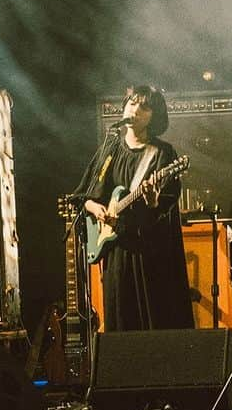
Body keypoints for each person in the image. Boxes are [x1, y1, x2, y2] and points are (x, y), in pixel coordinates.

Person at [72, 85, 193, 331]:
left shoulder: (162, 153)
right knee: (120, 319)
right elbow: (84, 195)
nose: (135, 109)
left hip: (149, 253)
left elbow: (165, 206)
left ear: (154, 117)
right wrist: (95, 208)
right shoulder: (110, 149)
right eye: (131, 102)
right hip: (117, 251)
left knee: (154, 321)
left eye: (144, 106)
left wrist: (153, 201)